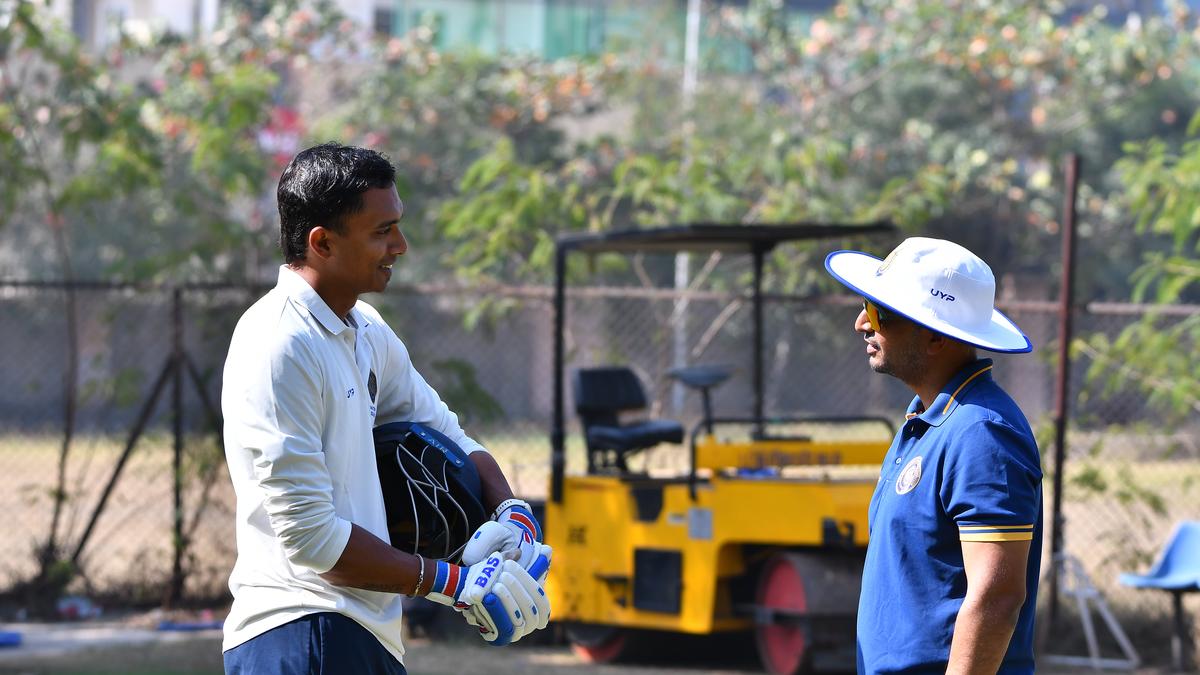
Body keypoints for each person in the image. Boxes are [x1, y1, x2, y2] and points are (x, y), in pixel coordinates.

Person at [220, 142, 549, 674]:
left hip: (359, 632)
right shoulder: (279, 342)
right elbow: (312, 540)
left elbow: (450, 434)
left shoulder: (366, 329)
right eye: (381, 231)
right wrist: (457, 585)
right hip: (302, 630)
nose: (400, 245)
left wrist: (513, 517)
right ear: (322, 243)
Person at [824, 237, 1042, 674]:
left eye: (879, 311)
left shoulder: (981, 432)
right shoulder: (926, 422)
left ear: (934, 338)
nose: (861, 324)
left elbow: (998, 598)